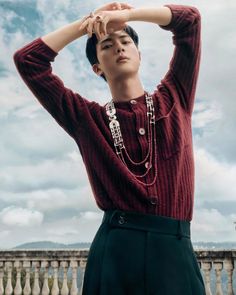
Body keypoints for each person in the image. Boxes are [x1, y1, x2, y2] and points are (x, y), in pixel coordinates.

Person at [13, 2, 205, 294]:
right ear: (96, 67)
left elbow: (189, 21)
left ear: (139, 54)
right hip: (116, 251)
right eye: (107, 44)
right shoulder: (86, 119)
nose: (119, 47)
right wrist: (89, 24)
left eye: (126, 41)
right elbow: (28, 61)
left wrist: (126, 16)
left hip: (175, 248)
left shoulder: (175, 97)